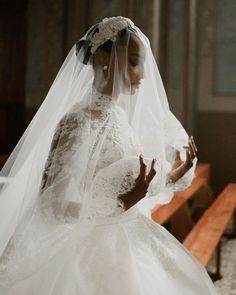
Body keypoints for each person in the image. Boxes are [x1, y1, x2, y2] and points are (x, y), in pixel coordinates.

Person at [0, 16, 218, 294]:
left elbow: (129, 181)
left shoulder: (117, 115)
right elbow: (52, 203)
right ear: (104, 58)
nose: (143, 74)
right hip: (88, 250)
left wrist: (176, 171)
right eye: (134, 61)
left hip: (132, 233)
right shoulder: (78, 121)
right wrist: (117, 204)